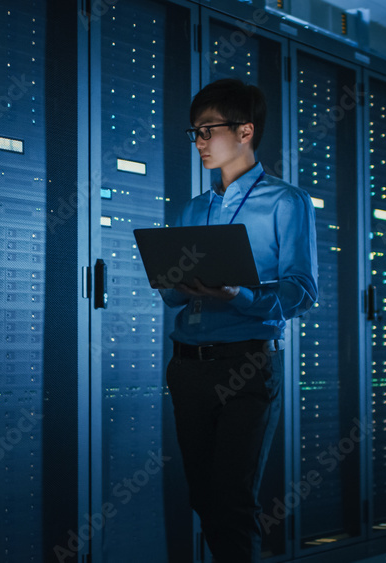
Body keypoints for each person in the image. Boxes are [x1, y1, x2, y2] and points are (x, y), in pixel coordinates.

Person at [160, 79, 318, 562]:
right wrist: (175, 282)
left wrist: (240, 293)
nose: (200, 143)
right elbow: (171, 295)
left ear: (245, 131)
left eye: (208, 131)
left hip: (246, 366)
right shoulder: (194, 208)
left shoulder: (285, 202)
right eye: (196, 133)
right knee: (204, 498)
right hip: (188, 367)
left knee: (232, 500)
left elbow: (301, 292)